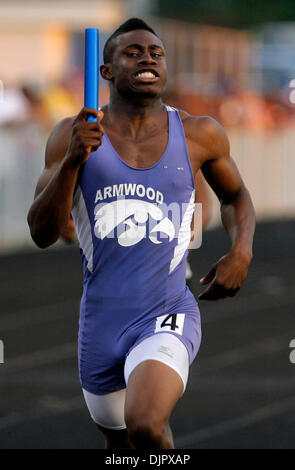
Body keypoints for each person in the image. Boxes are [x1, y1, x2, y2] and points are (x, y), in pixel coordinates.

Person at [27, 18, 255, 449]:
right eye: (133, 52)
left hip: (165, 312)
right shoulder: (71, 136)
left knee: (147, 423)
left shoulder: (198, 133)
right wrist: (73, 161)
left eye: (156, 52)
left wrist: (240, 252)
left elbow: (236, 195)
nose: (148, 57)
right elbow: (42, 231)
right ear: (107, 71)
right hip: (100, 324)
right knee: (126, 446)